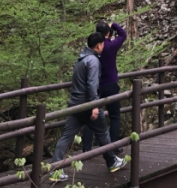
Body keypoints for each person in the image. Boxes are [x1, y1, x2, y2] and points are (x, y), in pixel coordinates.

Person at [49, 32, 124, 181]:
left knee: (66, 137)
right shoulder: (94, 61)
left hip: (75, 105)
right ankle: (112, 162)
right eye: (103, 44)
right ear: (98, 45)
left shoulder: (80, 59)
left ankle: (54, 170)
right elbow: (92, 84)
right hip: (88, 104)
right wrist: (95, 105)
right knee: (102, 133)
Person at [82, 21, 127, 153]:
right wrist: (114, 24)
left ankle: (87, 148)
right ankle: (113, 146)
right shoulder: (111, 45)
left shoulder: (93, 48)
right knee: (114, 116)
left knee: (92, 116)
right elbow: (123, 35)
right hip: (111, 85)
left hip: (95, 86)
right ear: (108, 33)